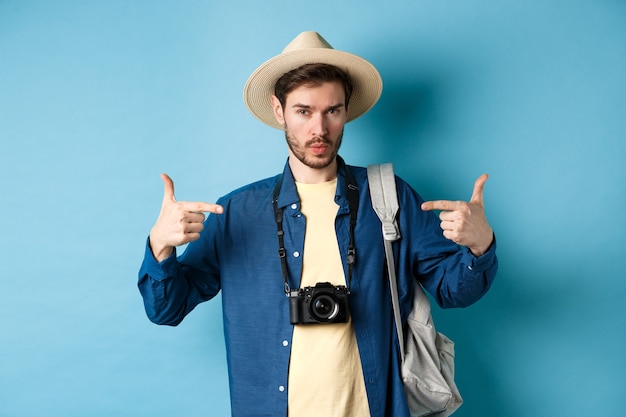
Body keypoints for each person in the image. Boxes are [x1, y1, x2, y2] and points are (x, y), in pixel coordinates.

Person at [138, 31, 497, 417]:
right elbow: (166, 310)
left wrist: (480, 248)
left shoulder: (388, 198)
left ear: (346, 111)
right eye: (304, 111)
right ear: (280, 111)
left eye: (332, 111)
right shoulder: (236, 214)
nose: (319, 130)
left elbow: (452, 291)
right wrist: (161, 247)